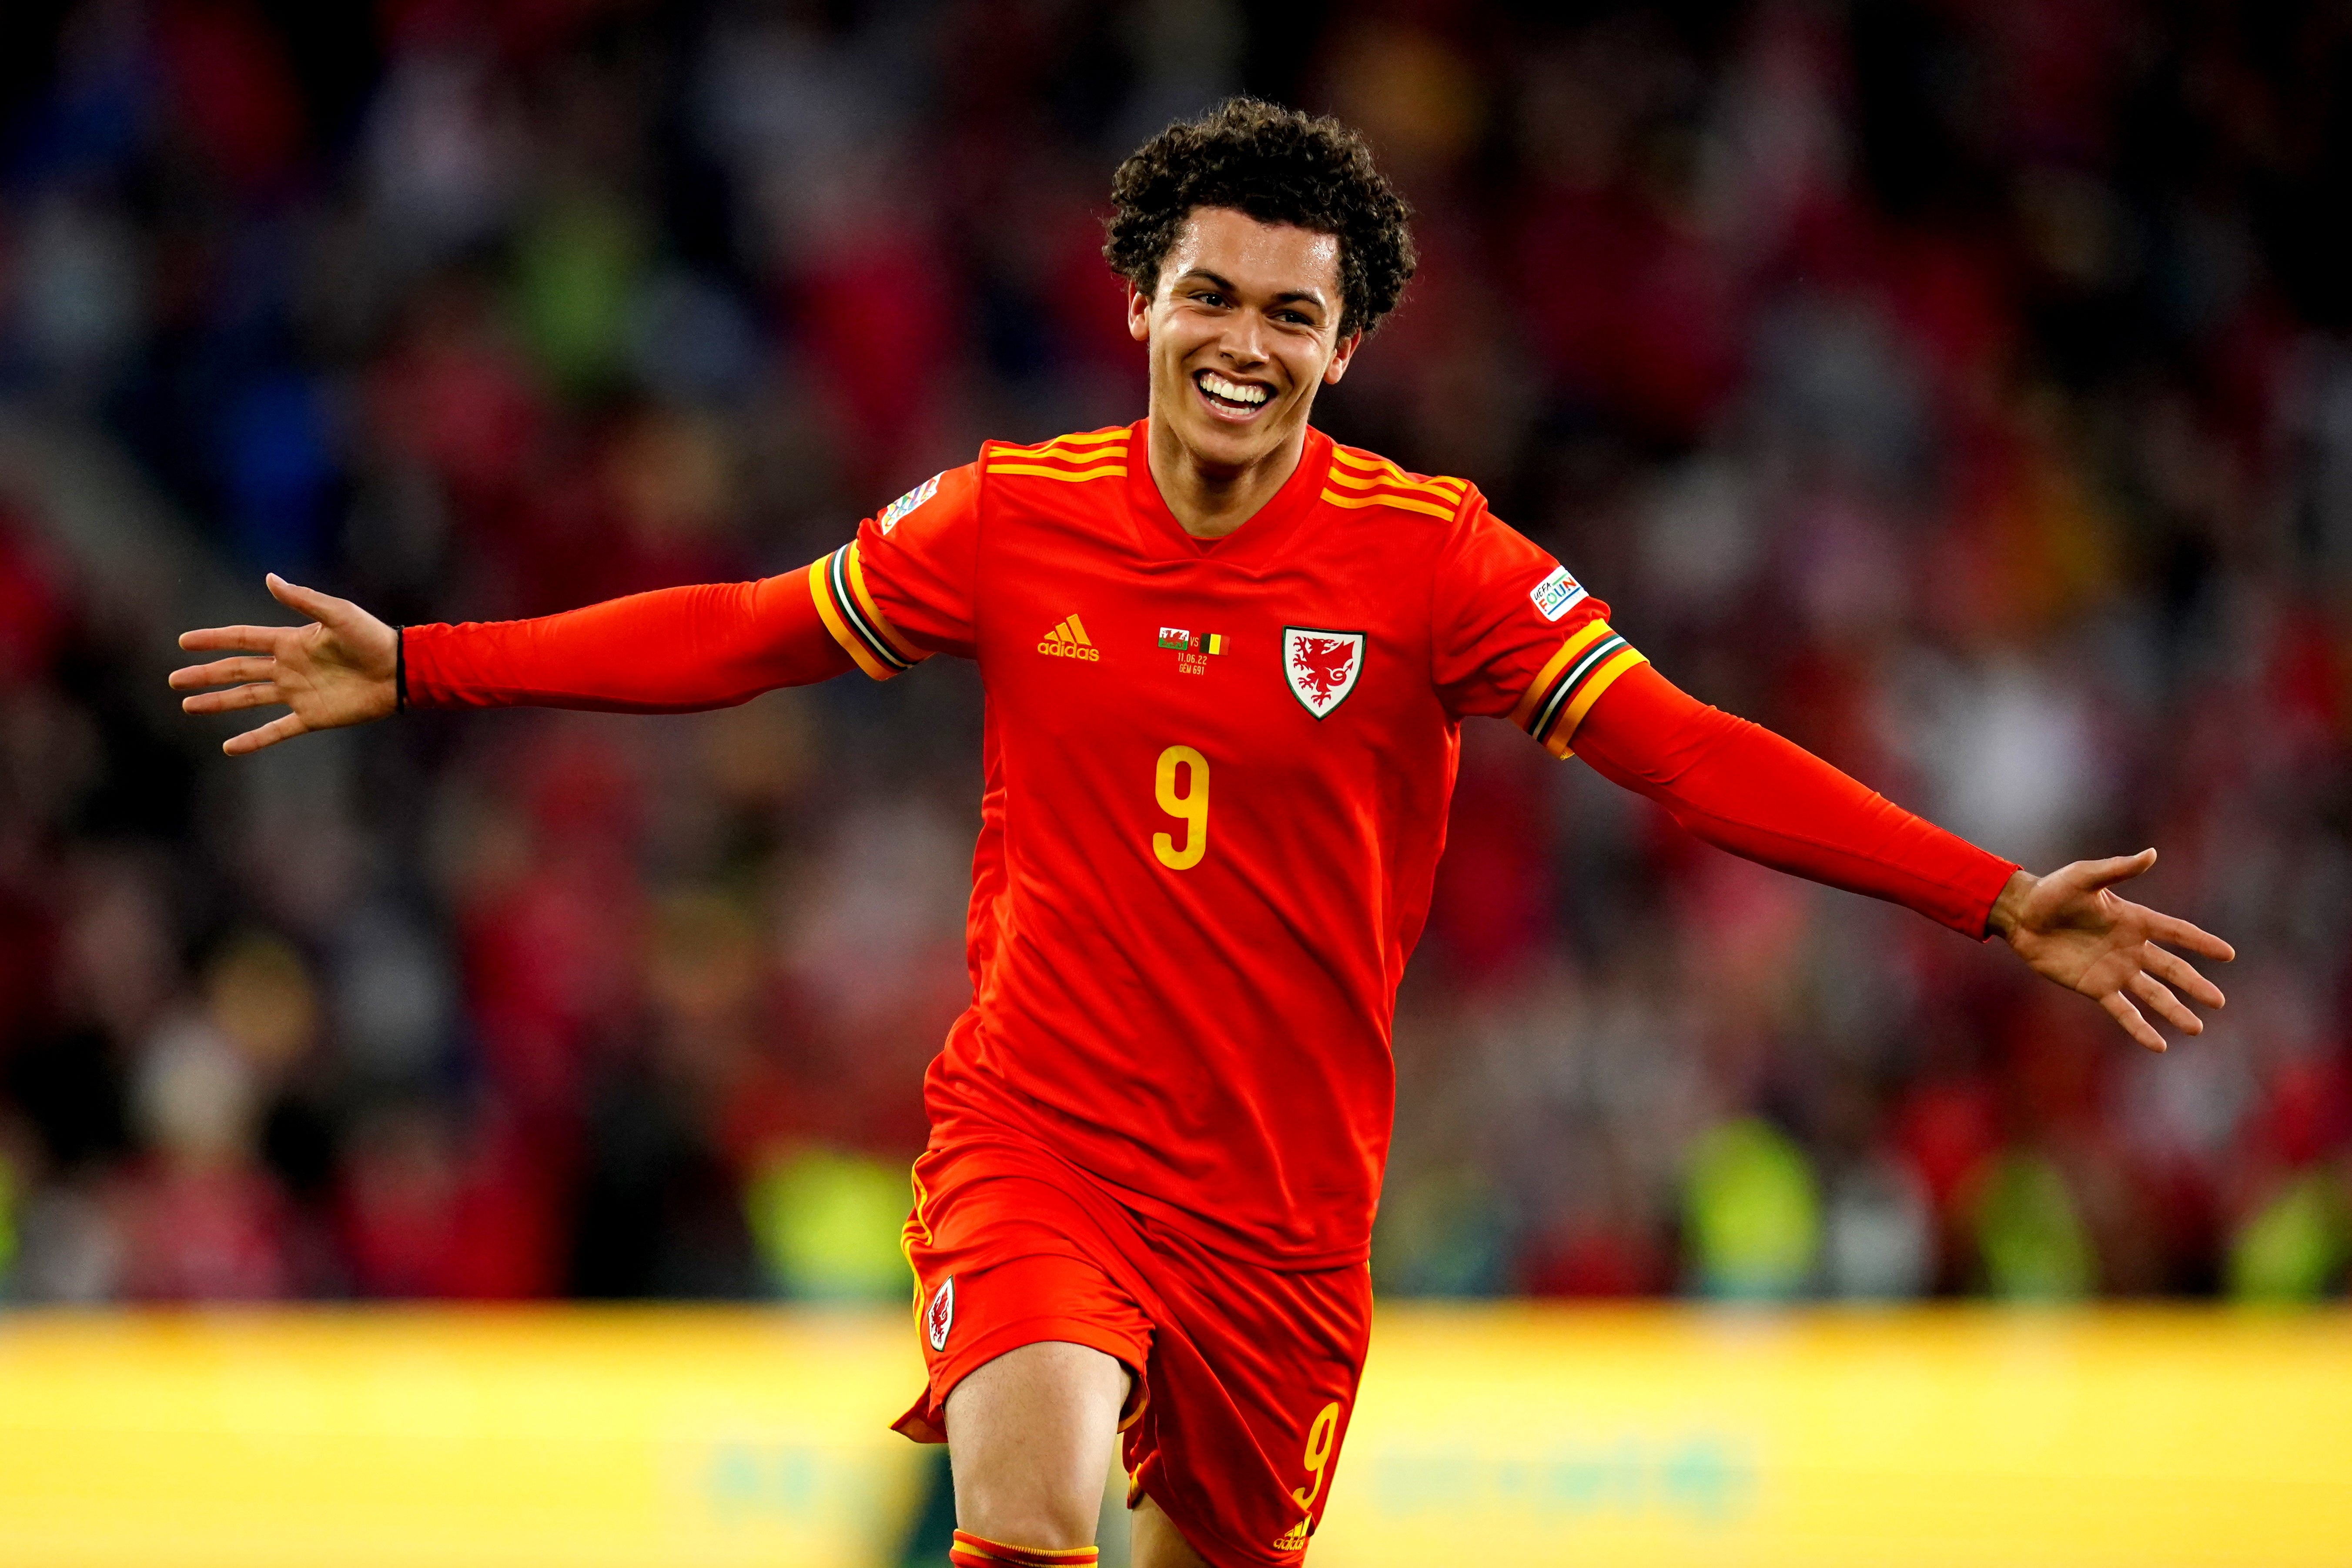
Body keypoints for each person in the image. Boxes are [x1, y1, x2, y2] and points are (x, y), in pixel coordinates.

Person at [171, 99, 2232, 1568]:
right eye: (1209, 295)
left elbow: (1680, 752)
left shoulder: (1436, 562)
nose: (1243, 341)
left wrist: (1985, 895)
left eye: (1290, 314)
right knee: (1022, 1507)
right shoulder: (1008, 510)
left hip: (1284, 1202)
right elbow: (748, 631)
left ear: (1344, 347)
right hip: (1041, 1128)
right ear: (1140, 302)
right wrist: (430, 660)